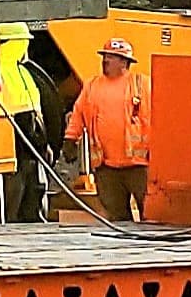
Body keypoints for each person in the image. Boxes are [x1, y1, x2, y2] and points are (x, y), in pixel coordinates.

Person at [65, 35, 152, 223]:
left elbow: (157, 118)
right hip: (106, 167)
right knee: (116, 218)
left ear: (124, 62)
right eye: (104, 56)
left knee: (150, 215)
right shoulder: (92, 86)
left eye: (111, 57)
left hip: (139, 165)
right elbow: (79, 112)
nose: (105, 60)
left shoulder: (142, 85)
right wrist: (71, 138)